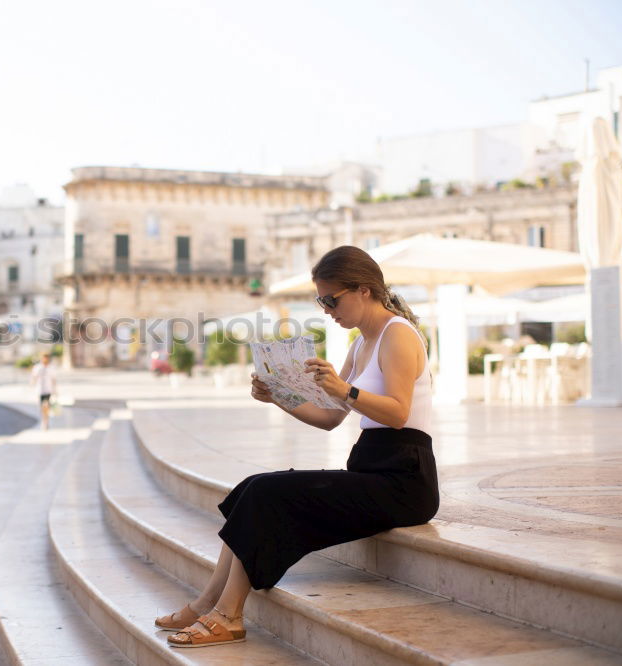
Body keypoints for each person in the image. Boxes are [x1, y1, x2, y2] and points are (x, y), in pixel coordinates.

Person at [156, 245, 439, 648]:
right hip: (373, 469)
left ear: (362, 290)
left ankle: (229, 615)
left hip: (405, 480)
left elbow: (397, 412)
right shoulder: (361, 344)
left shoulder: (398, 336)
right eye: (320, 300)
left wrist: (345, 389)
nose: (326, 309)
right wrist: (278, 396)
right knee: (253, 487)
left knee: (269, 494)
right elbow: (329, 418)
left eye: (330, 299)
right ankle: (208, 603)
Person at [29, 352, 57, 430]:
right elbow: (34, 377)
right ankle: (44, 420)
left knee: (47, 405)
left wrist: (55, 390)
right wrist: (32, 384)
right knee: (42, 406)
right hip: (40, 390)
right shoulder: (38, 367)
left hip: (48, 389)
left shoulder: (51, 368)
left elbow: (54, 379)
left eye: (46, 358)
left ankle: (46, 421)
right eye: (44, 358)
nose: (45, 359)